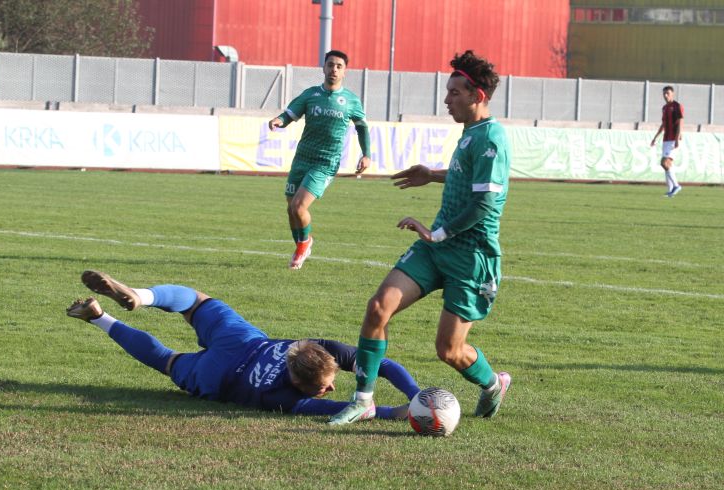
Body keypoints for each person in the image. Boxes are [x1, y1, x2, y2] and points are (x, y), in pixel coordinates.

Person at [328, 50, 512, 426]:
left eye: (455, 93)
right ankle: (363, 400)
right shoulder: (472, 133)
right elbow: (468, 176)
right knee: (379, 307)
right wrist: (433, 174)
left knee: (449, 350)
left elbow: (486, 204)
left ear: (477, 96)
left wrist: (437, 232)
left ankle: (493, 383)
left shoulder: (492, 137)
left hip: (471, 258)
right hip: (436, 249)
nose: (446, 100)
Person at [66, 270, 419, 419]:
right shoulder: (285, 399)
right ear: (308, 387)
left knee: (195, 302)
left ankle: (143, 297)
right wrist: (406, 409)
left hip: (244, 341)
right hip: (218, 377)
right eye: (329, 384)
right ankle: (98, 316)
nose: (333, 385)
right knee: (167, 360)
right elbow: (349, 409)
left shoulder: (318, 346)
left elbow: (384, 364)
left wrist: (417, 393)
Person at [268, 50, 370, 270]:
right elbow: (290, 114)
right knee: (291, 210)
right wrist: (279, 120)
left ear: (344, 71)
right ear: (323, 68)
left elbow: (362, 128)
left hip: (325, 162)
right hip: (302, 158)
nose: (334, 69)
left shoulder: (350, 100)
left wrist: (366, 154)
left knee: (299, 206)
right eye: (330, 65)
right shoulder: (311, 94)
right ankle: (303, 243)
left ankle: (303, 246)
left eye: (339, 66)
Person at [649, 85, 684, 197]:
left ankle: (676, 186)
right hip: (666, 139)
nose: (665, 95)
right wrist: (655, 137)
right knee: (667, 165)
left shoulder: (677, 106)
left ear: (672, 94)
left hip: (673, 138)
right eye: (664, 93)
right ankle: (670, 191)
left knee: (664, 162)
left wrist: (677, 138)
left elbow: (680, 123)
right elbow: (663, 124)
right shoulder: (664, 108)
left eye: (667, 93)